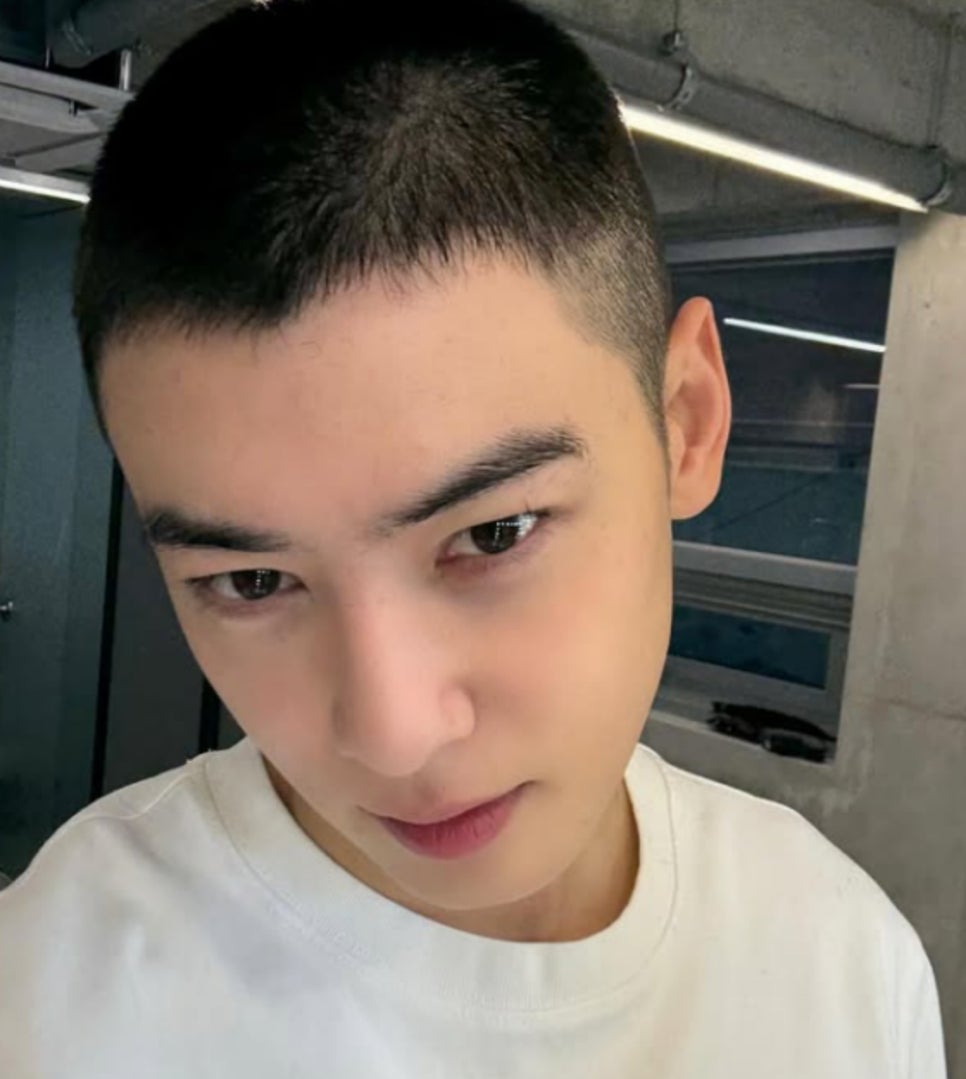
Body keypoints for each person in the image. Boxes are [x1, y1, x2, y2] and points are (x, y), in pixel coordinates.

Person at [0, 1, 946, 1075]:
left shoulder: (841, 959)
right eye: (252, 580)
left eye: (494, 532)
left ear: (685, 423)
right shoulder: (48, 1002)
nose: (395, 735)